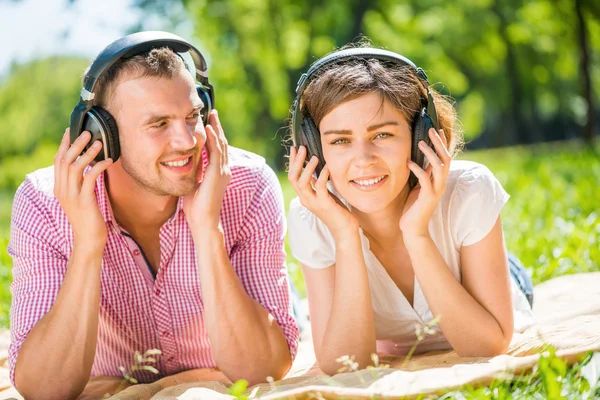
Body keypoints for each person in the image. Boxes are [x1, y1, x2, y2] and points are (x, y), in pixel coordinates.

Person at [8, 31, 299, 399]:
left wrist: (208, 230)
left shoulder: (247, 183)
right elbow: (44, 390)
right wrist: (88, 244)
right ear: (101, 134)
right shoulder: (43, 202)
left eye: (193, 115)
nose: (187, 141)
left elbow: (263, 371)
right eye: (159, 124)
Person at [286, 45, 535, 375]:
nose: (363, 159)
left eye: (383, 134)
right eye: (340, 141)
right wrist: (345, 235)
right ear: (314, 149)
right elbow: (344, 366)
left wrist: (416, 234)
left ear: (422, 137)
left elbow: (486, 347)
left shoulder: (470, 189)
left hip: (486, 276)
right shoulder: (311, 216)